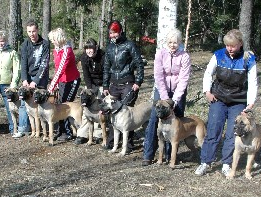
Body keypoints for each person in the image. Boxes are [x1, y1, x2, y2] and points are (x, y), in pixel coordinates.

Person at [194, 29, 258, 176]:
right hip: (219, 97)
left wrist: (250, 103)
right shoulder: (218, 55)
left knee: (232, 133)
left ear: (240, 44)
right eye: (227, 45)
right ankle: (205, 162)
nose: (229, 48)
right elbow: (208, 74)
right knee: (213, 129)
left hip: (238, 100)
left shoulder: (248, 59)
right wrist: (207, 92)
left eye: (233, 46)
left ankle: (226, 163)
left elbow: (253, 82)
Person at [142, 28, 191, 166]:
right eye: (170, 42)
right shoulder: (160, 53)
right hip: (161, 89)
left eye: (175, 42)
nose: (172, 45)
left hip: (178, 90)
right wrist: (164, 98)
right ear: (166, 42)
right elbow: (158, 76)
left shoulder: (185, 56)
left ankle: (171, 156)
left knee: (176, 119)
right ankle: (148, 153)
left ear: (179, 42)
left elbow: (184, 79)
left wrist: (175, 100)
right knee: (154, 119)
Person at [102, 20, 144, 152]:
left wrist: (138, 81)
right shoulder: (109, 48)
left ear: (120, 32)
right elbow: (106, 67)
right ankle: (112, 142)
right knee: (112, 112)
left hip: (128, 83)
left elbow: (139, 63)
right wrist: (105, 85)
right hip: (113, 84)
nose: (113, 35)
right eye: (110, 33)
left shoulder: (129, 45)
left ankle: (129, 144)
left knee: (127, 113)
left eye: (115, 32)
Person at [12, 19, 50, 138]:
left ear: (37, 30)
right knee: (25, 103)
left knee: (41, 102)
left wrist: (36, 81)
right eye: (29, 31)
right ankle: (24, 128)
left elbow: (44, 64)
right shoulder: (24, 45)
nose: (31, 34)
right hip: (28, 76)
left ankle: (44, 130)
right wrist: (24, 79)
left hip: (40, 76)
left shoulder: (45, 44)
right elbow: (23, 64)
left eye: (33, 31)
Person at [48, 28, 81, 142]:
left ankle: (68, 132)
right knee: (60, 104)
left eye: (53, 39)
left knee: (67, 105)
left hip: (72, 81)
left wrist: (51, 86)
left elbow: (61, 68)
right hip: (62, 81)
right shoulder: (56, 50)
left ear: (59, 39)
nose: (52, 41)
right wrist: (56, 84)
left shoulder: (67, 50)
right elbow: (57, 68)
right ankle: (61, 130)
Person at [74, 38, 106, 145]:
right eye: (87, 49)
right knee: (86, 107)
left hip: (103, 83)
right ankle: (82, 134)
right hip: (91, 84)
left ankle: (98, 134)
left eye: (91, 48)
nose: (89, 51)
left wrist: (103, 88)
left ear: (96, 48)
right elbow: (86, 76)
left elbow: (106, 73)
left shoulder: (103, 56)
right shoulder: (84, 58)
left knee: (98, 108)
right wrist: (90, 91)